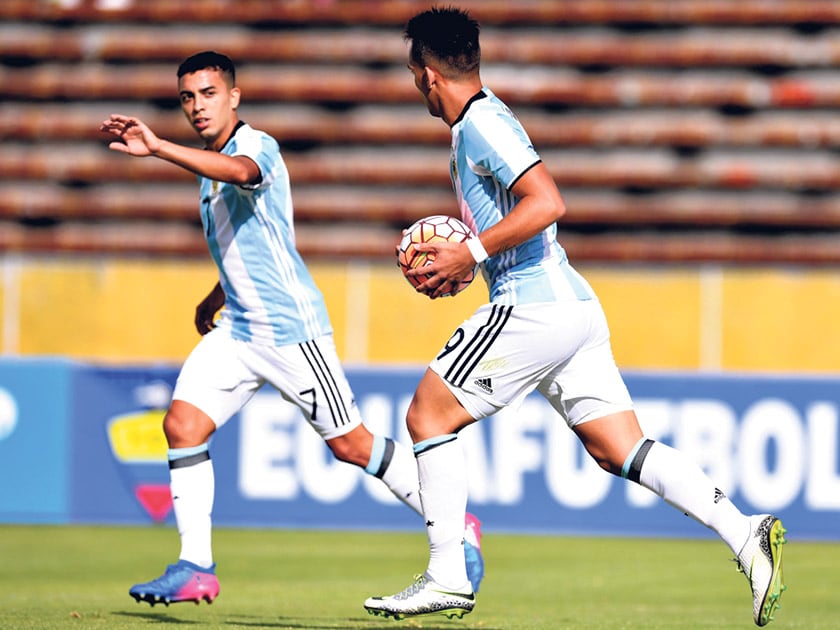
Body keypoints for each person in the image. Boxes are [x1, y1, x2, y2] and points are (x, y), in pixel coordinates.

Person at [363, 7, 786, 627]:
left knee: (427, 414)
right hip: (570, 306)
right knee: (619, 449)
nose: (414, 86)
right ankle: (745, 532)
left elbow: (548, 200)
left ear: (428, 74)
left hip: (532, 304)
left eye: (411, 73)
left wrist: (472, 251)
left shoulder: (481, 123)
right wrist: (466, 262)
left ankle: (448, 574)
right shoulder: (480, 123)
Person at [99, 50, 483, 607]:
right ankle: (195, 566)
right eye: (188, 97)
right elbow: (250, 242)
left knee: (352, 446)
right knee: (181, 425)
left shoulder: (255, 146)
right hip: (239, 330)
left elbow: (244, 174)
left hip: (289, 330)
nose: (198, 106)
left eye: (209, 93)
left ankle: (455, 524)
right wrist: (217, 294)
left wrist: (158, 147)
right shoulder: (209, 166)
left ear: (234, 95)